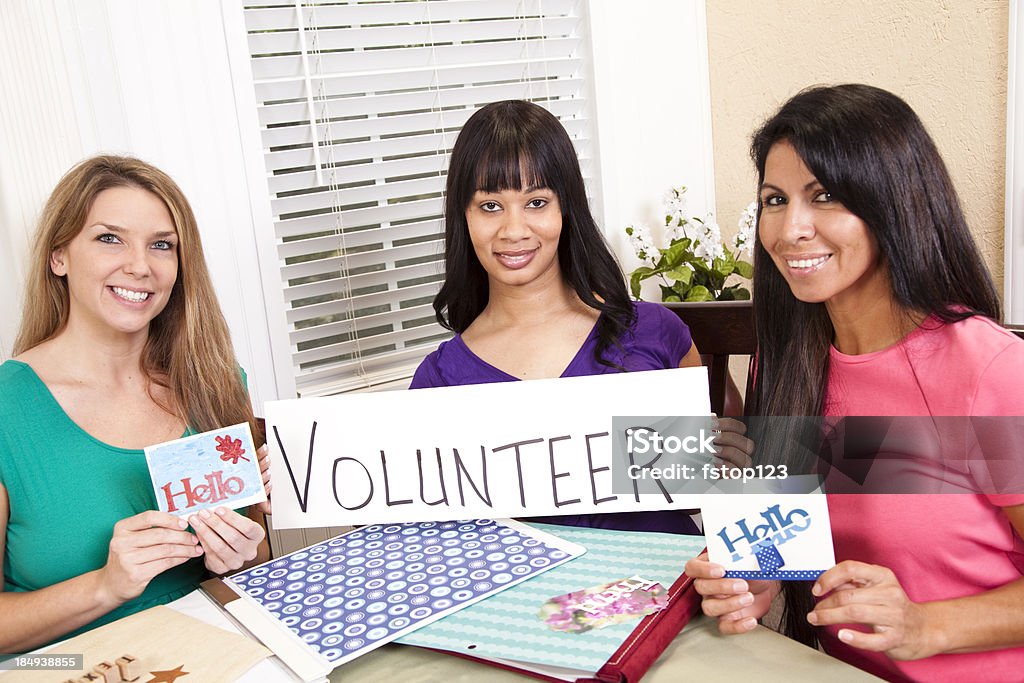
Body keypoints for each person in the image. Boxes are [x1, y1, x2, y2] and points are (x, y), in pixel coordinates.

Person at [685, 84, 1024, 681]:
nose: (791, 230)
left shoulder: (989, 370)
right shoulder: (786, 364)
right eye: (774, 199)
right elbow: (788, 542)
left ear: (894, 203)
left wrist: (926, 625)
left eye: (826, 196)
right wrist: (753, 583)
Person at [411, 100, 752, 534]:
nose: (514, 230)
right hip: (531, 600)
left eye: (536, 202)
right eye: (490, 206)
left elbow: (729, 457)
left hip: (673, 587)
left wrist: (728, 461)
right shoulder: (438, 381)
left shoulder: (653, 331)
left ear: (565, 208)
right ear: (464, 215)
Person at [0, 155, 272, 652]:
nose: (140, 266)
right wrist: (107, 585)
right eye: (109, 238)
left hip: (221, 657)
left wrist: (239, 555)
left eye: (161, 245)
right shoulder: (7, 411)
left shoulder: (216, 382)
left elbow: (255, 563)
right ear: (58, 255)